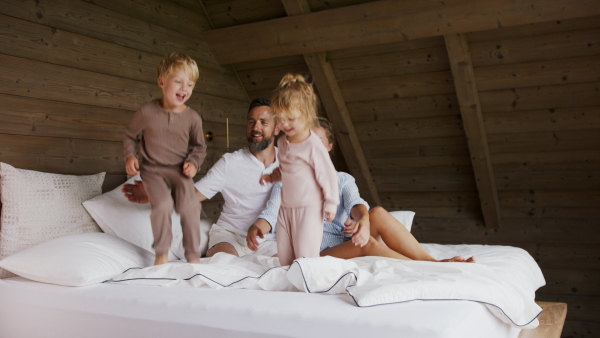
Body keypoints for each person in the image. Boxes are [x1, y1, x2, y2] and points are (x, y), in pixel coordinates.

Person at [250, 117, 475, 263]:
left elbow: (355, 204)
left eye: (319, 143)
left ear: (328, 147)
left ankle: (430, 262)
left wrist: (363, 220)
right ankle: (431, 268)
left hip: (343, 240)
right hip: (315, 251)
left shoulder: (342, 179)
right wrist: (256, 228)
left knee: (376, 213)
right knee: (365, 243)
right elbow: (270, 213)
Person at [123, 97, 280, 258]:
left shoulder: (288, 162)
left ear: (277, 128)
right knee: (223, 265)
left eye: (263, 122)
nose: (256, 128)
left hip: (269, 239)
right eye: (251, 122)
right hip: (229, 236)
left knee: (283, 270)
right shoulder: (229, 162)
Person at [123, 52, 206, 265]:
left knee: (191, 206)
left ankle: (193, 256)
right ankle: (161, 254)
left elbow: (199, 147)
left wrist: (194, 164)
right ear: (162, 82)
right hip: (153, 171)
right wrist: (130, 155)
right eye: (178, 82)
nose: (184, 88)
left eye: (189, 84)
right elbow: (130, 135)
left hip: (180, 170)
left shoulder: (193, 118)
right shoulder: (146, 112)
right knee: (162, 205)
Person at [259, 74, 339, 266]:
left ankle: (308, 286)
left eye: (291, 118)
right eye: (280, 118)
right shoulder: (282, 142)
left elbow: (327, 175)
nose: (284, 124)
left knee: (305, 257)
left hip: (309, 209)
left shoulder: (312, 145)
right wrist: (272, 176)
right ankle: (290, 286)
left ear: (307, 114)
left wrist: (331, 203)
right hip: (286, 209)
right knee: (285, 256)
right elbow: (286, 168)